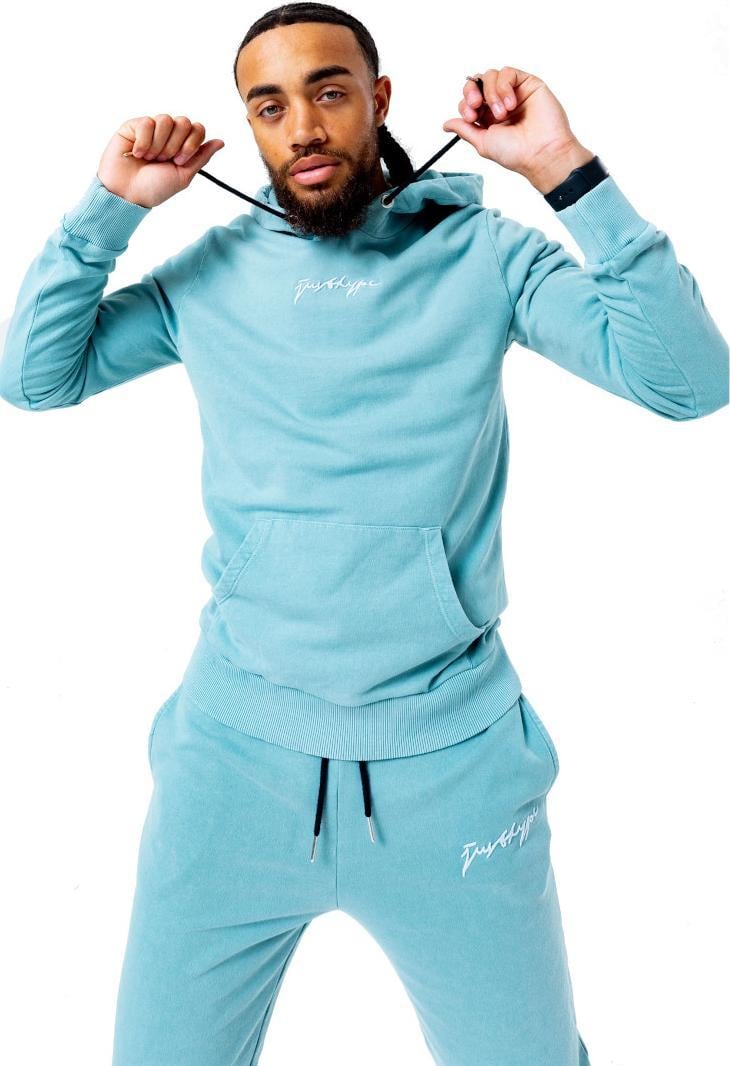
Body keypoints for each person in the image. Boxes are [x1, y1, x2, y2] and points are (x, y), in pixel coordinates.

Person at [1, 3, 727, 1063]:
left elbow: (689, 382)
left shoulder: (483, 257)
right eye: (269, 106)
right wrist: (108, 210)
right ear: (247, 126)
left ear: (379, 101)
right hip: (229, 773)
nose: (302, 126)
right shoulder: (210, 274)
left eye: (329, 92)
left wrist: (561, 169)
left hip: (454, 777)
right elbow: (34, 377)